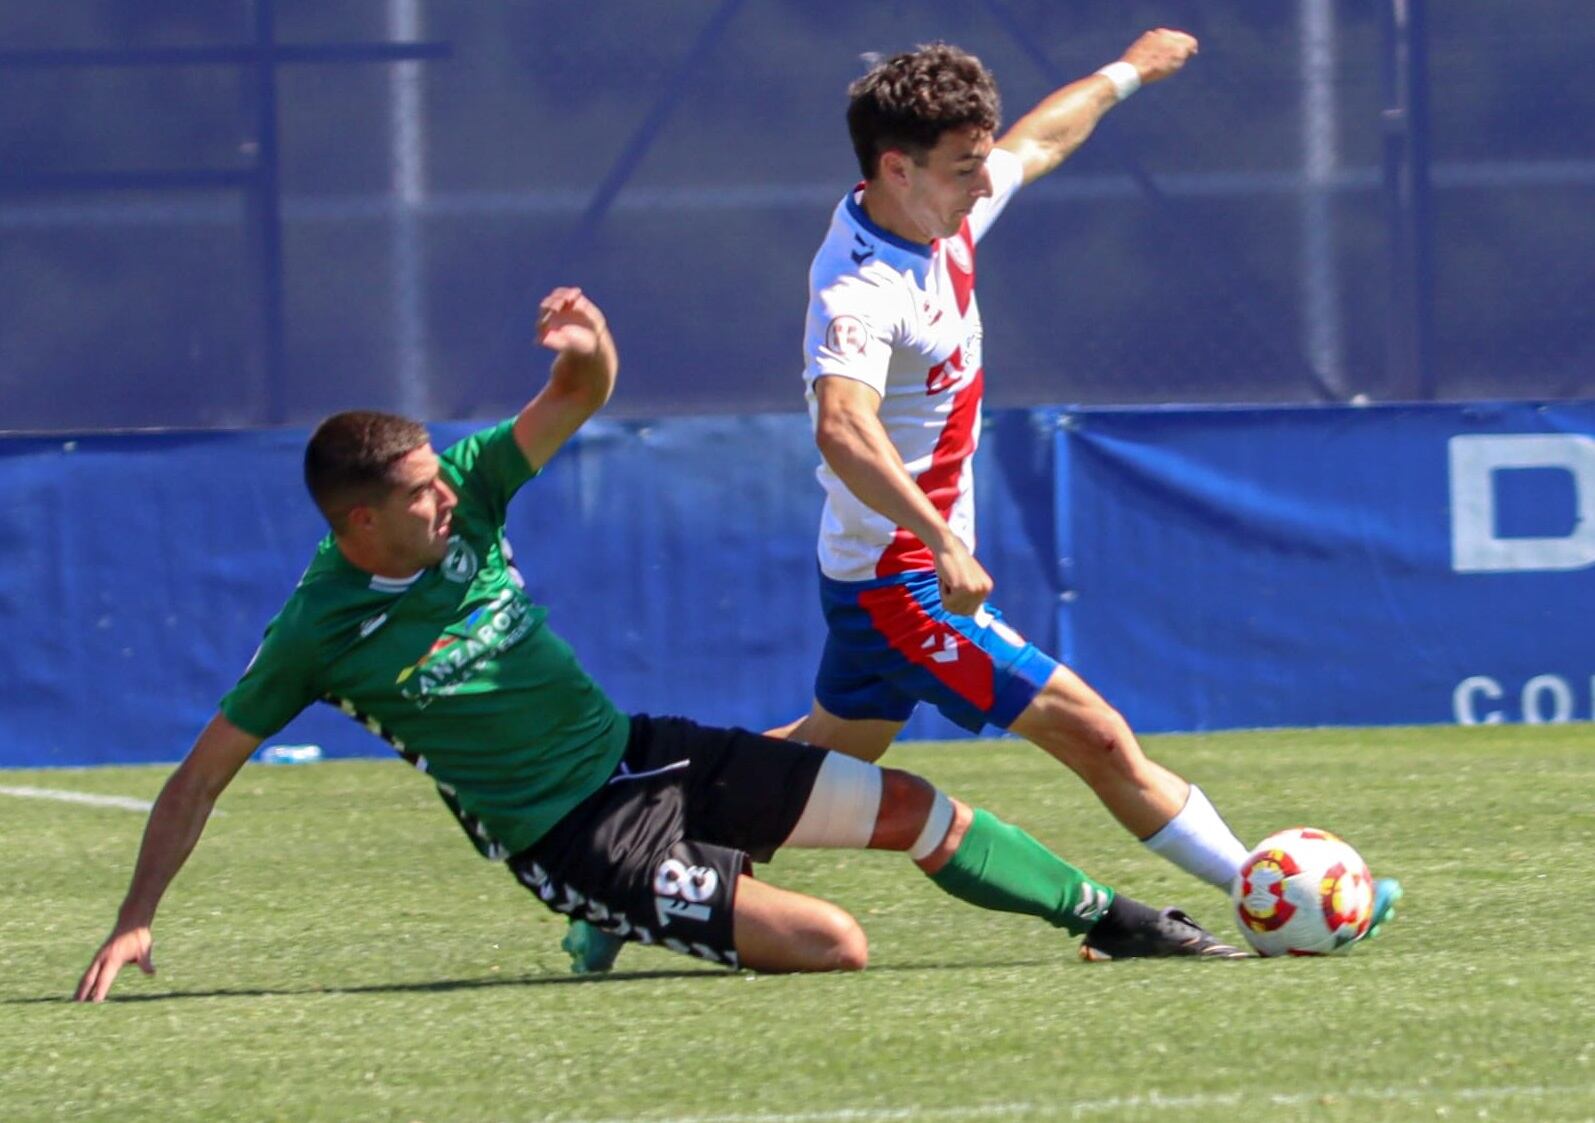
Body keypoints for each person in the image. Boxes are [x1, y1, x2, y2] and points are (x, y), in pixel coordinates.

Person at [75, 287, 1246, 1003]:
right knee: (836, 946)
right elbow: (197, 779)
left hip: (643, 753)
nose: (447, 498)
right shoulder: (316, 633)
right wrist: (138, 916)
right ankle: (610, 911)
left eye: (442, 479)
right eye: (421, 494)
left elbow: (574, 394)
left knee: (915, 807)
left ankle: (1117, 922)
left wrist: (580, 348)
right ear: (355, 522)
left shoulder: (471, 492)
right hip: (570, 836)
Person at [762, 34, 1402, 931]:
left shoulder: (940, 219)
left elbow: (1040, 142)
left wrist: (1129, 70)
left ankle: (637, 839)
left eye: (979, 163)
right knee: (1096, 734)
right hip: (900, 585)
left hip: (881, 575)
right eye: (962, 169)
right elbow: (841, 427)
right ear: (896, 169)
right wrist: (941, 536)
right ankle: (1274, 897)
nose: (984, 183)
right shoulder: (860, 287)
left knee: (802, 770)